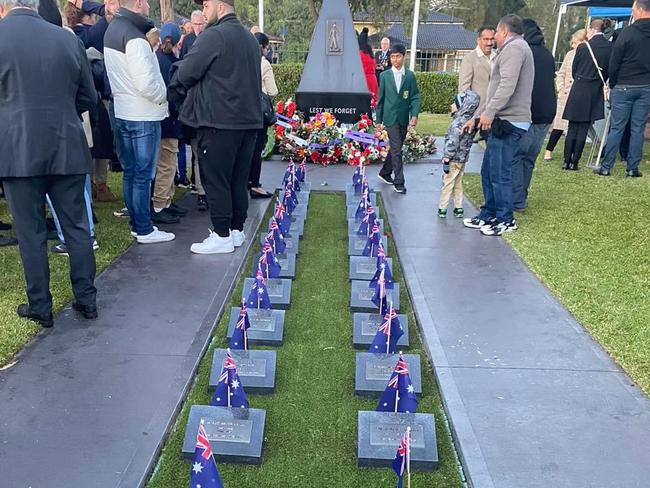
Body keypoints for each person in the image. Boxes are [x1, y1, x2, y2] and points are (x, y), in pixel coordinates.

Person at [0, 0, 98, 327]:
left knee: (31, 232)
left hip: (18, 149)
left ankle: (40, 305)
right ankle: (87, 298)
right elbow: (88, 96)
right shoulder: (67, 38)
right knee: (76, 227)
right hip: (66, 144)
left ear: (5, 7)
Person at [169, 0, 263, 254]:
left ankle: (221, 234)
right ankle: (235, 231)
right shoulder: (250, 39)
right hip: (248, 123)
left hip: (218, 122)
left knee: (216, 180)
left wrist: (175, 92)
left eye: (207, 4)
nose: (204, 9)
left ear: (220, 6)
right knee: (237, 179)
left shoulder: (214, 36)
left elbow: (187, 71)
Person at [104, 0, 175, 244]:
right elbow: (146, 83)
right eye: (145, 1)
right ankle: (144, 228)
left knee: (132, 173)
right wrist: (165, 95)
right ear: (136, 3)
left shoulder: (113, 30)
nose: (147, 5)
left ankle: (138, 224)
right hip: (143, 114)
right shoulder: (134, 37)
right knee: (143, 174)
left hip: (124, 110)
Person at [462, 14, 534, 237]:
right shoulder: (514, 49)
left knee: (500, 172)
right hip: (502, 120)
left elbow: (506, 85)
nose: (494, 40)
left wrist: (490, 112)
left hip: (509, 121)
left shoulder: (514, 49)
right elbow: (496, 88)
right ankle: (490, 212)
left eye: (496, 35)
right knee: (489, 169)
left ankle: (505, 219)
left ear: (503, 31)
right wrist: (479, 115)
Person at [595, 0, 650, 178]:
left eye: (633, 10)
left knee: (617, 127)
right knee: (637, 128)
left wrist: (613, 84)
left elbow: (615, 60)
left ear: (640, 10)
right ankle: (632, 167)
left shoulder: (627, 33)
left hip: (624, 85)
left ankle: (606, 166)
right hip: (645, 86)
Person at [511, 18, 556, 212]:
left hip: (528, 113)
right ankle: (521, 197)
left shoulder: (523, 53)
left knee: (516, 157)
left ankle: (516, 200)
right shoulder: (547, 54)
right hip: (547, 114)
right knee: (529, 159)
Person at [562, 19, 612, 171]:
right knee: (583, 128)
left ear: (591, 29)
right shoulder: (610, 47)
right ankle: (575, 162)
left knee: (572, 127)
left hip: (578, 87)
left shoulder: (583, 47)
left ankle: (566, 161)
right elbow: (609, 70)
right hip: (594, 90)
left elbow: (574, 69)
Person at [152, 22, 188, 224]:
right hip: (170, 119)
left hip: (161, 118)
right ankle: (160, 203)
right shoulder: (172, 63)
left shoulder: (156, 60)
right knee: (167, 163)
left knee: (167, 162)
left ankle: (166, 200)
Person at [376, 44, 421, 194]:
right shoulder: (384, 76)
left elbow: (414, 96)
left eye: (398, 56)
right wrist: (378, 121)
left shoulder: (409, 76)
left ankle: (385, 172)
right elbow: (380, 100)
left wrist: (414, 115)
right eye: (393, 56)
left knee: (396, 148)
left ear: (404, 56)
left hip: (403, 118)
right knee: (396, 150)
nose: (395, 59)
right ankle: (399, 181)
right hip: (390, 118)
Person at [544, 29, 587, 161]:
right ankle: (548, 150)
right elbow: (561, 73)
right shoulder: (569, 55)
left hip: (580, 94)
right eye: (572, 43)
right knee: (558, 124)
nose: (573, 46)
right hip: (566, 93)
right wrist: (560, 87)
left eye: (575, 43)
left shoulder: (588, 56)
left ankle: (570, 155)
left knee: (574, 127)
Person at [438, 91, 480, 219]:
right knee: (458, 183)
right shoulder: (470, 122)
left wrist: (446, 157)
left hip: (453, 159)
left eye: (454, 103)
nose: (451, 105)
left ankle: (442, 208)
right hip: (462, 159)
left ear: (462, 106)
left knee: (447, 183)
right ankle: (458, 207)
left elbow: (453, 141)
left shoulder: (458, 123)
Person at [249, 32, 277, 200]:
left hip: (244, 110)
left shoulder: (244, 60)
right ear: (263, 47)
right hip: (259, 112)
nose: (268, 50)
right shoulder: (264, 64)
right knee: (257, 149)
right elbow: (273, 90)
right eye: (267, 47)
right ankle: (255, 184)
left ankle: (246, 181)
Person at [458, 26, 495, 114]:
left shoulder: (499, 56)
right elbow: (464, 88)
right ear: (478, 40)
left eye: (492, 39)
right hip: (476, 114)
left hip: (497, 113)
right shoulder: (469, 59)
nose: (489, 43)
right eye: (485, 39)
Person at [358, 27, 378, 106]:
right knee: (373, 100)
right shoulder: (370, 52)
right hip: (373, 79)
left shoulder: (359, 53)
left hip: (364, 80)